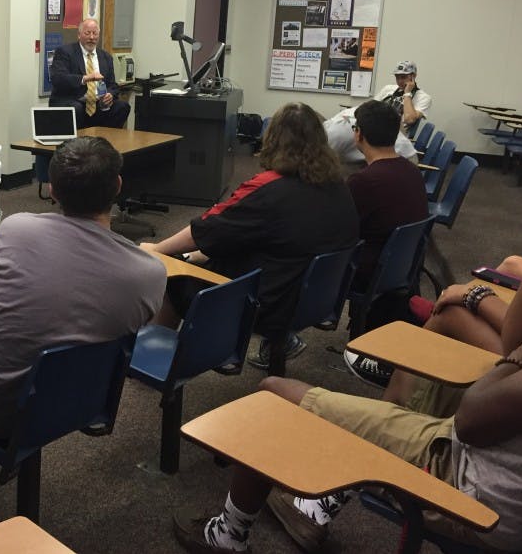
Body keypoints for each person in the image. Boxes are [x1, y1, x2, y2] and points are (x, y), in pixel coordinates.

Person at [174, 219, 522, 554]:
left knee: (272, 393)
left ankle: (227, 536)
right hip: (497, 476)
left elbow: (472, 418)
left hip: (474, 493)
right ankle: (338, 479)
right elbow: (517, 343)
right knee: (448, 333)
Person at [0, 136, 164, 461]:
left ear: (53, 190)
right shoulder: (151, 275)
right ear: (117, 186)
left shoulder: (16, 230)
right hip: (73, 405)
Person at [141, 103, 359, 370]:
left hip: (265, 303)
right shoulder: (339, 185)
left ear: (273, 139)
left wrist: (157, 249)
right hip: (314, 297)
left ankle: (155, 365)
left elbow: (204, 231)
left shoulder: (267, 188)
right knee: (202, 255)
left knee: (173, 277)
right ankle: (277, 342)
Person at [334, 100, 429, 337]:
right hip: (401, 269)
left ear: (358, 135)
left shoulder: (363, 181)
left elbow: (337, 231)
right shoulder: (412, 171)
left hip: (368, 272)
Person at [324, 60, 432, 164]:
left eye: (403, 77)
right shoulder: (389, 89)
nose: (399, 81)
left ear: (413, 76)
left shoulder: (423, 98)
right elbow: (370, 108)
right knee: (342, 123)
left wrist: (407, 93)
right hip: (373, 126)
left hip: (394, 135)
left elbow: (409, 119)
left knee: (344, 139)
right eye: (397, 77)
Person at [49, 18, 130, 128]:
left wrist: (109, 95)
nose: (91, 37)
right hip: (73, 101)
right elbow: (58, 79)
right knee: (76, 108)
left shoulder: (106, 57)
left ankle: (105, 142)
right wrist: (85, 78)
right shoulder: (65, 52)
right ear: (79, 35)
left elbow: (113, 85)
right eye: (87, 33)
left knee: (123, 106)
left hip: (98, 105)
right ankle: (75, 144)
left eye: (95, 33)